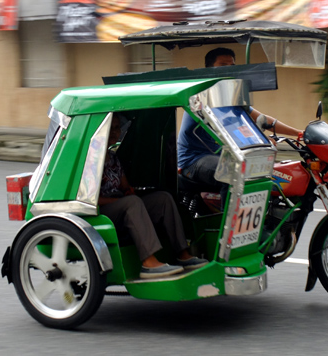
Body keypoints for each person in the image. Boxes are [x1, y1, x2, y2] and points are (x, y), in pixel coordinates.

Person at [178, 47, 303, 204]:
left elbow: (265, 120)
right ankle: (229, 227)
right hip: (194, 160)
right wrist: (261, 141)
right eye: (223, 65)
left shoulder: (232, 98)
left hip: (222, 156)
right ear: (209, 69)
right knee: (234, 173)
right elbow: (225, 128)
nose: (229, 69)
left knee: (269, 173)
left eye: (232, 65)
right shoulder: (200, 96)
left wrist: (298, 133)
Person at [99, 115, 208, 279]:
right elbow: (90, 199)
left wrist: (131, 193)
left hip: (121, 203)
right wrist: (121, 201)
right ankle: (149, 263)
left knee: (163, 199)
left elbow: (125, 187)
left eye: (117, 128)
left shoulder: (113, 158)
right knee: (132, 203)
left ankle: (182, 254)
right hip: (104, 208)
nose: (115, 132)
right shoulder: (92, 159)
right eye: (111, 128)